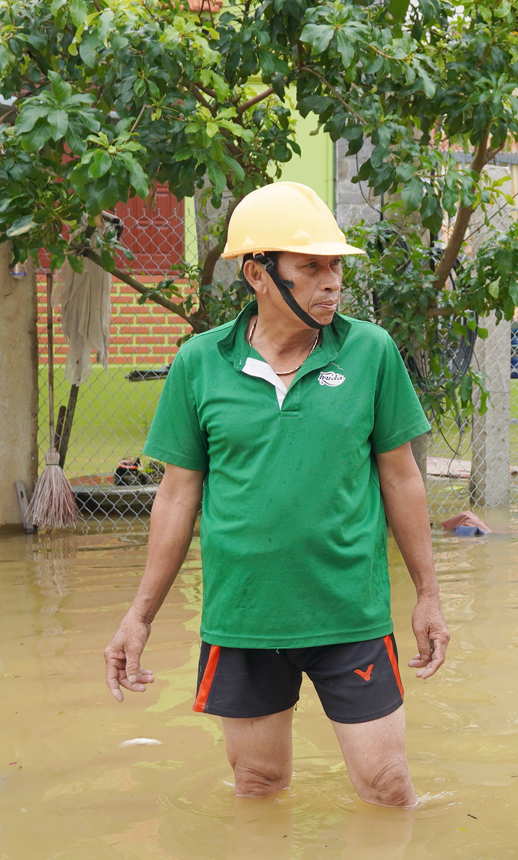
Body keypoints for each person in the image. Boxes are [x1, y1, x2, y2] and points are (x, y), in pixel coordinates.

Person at [103, 181, 449, 808]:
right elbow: (177, 497)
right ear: (256, 272)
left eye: (335, 265)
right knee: (258, 787)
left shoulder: (369, 352)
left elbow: (401, 478)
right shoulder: (199, 363)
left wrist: (428, 594)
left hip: (350, 614)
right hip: (243, 619)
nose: (331, 282)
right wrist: (139, 616)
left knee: (388, 788)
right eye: (310, 266)